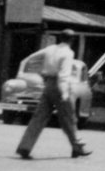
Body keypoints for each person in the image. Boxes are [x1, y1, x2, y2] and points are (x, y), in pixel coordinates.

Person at [15, 29, 92, 159]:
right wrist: (64, 93)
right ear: (72, 40)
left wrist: (24, 69)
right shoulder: (68, 53)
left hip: (48, 85)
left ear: (60, 38)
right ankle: (77, 147)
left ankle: (25, 147)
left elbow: (31, 58)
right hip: (60, 85)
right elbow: (63, 75)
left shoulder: (50, 49)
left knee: (38, 117)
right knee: (69, 118)